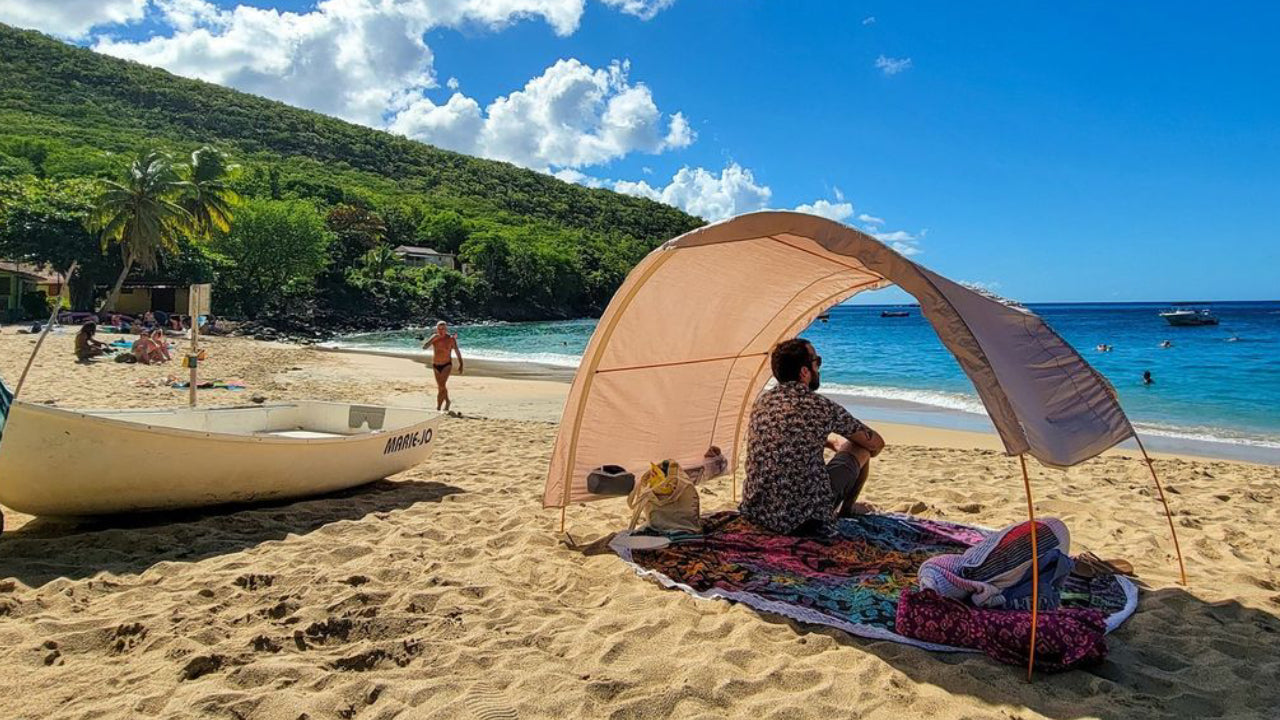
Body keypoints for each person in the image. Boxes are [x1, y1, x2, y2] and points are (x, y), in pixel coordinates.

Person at [740, 338, 885, 535]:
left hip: (759, 511)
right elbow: (876, 443)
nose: (819, 368)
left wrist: (827, 441)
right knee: (861, 448)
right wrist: (848, 447)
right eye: (817, 362)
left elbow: (787, 434)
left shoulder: (762, 402)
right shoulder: (820, 406)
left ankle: (842, 507)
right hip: (805, 518)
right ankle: (845, 511)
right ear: (804, 371)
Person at [423, 321, 464, 411]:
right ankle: (448, 401)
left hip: (446, 364)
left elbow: (457, 351)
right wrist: (432, 339)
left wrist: (461, 364)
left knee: (441, 385)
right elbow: (424, 347)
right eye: (439, 329)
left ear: (446, 329)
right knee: (441, 386)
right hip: (436, 365)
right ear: (437, 329)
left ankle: (438, 408)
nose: (441, 331)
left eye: (443, 329)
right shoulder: (434, 337)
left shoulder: (451, 339)